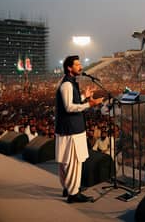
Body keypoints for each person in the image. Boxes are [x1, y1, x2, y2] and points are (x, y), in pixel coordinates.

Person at [55, 55, 103, 203]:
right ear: (69, 68)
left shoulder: (69, 83)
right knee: (73, 162)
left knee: (67, 162)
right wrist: (90, 104)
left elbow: (71, 102)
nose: (80, 67)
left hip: (69, 128)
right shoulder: (67, 85)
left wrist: (83, 96)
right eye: (77, 64)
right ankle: (73, 193)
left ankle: (68, 188)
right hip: (72, 129)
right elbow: (69, 107)